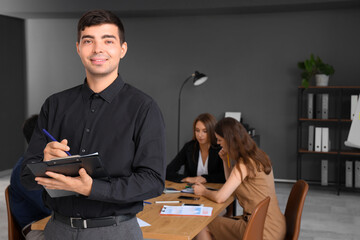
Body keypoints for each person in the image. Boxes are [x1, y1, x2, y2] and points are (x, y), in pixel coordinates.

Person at [20, 9, 165, 240]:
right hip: (58, 229)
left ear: (122, 49)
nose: (98, 49)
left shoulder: (143, 108)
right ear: (78, 48)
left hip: (116, 232)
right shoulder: (54, 105)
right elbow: (26, 179)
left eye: (108, 40)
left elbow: (153, 182)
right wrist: (43, 161)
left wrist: (90, 188)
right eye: (89, 41)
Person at [193, 117, 286, 240]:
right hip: (274, 224)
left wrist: (203, 191)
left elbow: (220, 197)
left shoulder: (244, 164)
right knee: (215, 225)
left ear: (229, 140)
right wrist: (225, 162)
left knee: (202, 225)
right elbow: (231, 185)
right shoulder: (257, 155)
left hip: (262, 230)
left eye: (220, 140)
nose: (218, 143)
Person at [9, 114, 51, 239]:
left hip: (51, 223)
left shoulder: (45, 162)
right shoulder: (26, 170)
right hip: (37, 228)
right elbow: (47, 206)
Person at [166, 113, 225, 184]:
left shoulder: (220, 148)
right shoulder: (189, 147)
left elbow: (224, 177)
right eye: (197, 130)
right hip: (192, 191)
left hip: (214, 191)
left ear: (212, 131)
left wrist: (205, 179)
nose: (200, 135)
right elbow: (168, 171)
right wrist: (186, 179)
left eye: (205, 131)